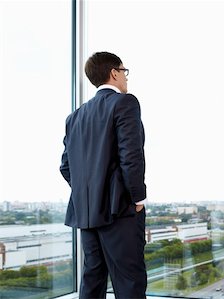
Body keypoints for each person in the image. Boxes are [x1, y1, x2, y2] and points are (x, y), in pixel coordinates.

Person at [60, 51, 147, 299]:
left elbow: (66, 166)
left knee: (92, 278)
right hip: (119, 209)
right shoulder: (125, 102)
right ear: (114, 73)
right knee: (129, 281)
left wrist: (89, 191)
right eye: (124, 71)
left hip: (86, 212)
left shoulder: (74, 117)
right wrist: (137, 198)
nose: (126, 78)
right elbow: (131, 156)